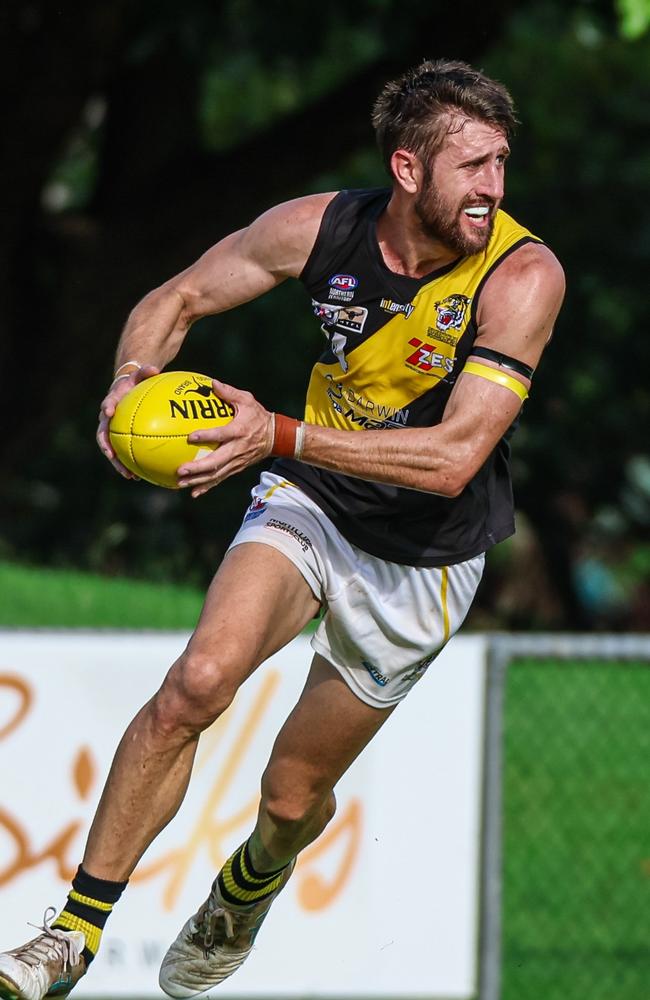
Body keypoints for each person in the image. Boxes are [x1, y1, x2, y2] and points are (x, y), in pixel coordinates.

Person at [0, 58, 564, 1000]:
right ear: (408, 169)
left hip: (427, 557)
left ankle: (253, 881)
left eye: (501, 164)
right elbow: (173, 299)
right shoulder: (319, 228)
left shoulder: (523, 274)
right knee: (197, 681)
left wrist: (275, 431)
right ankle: (70, 935)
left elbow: (455, 456)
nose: (493, 188)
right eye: (472, 166)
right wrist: (129, 378)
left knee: (290, 796)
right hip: (310, 500)